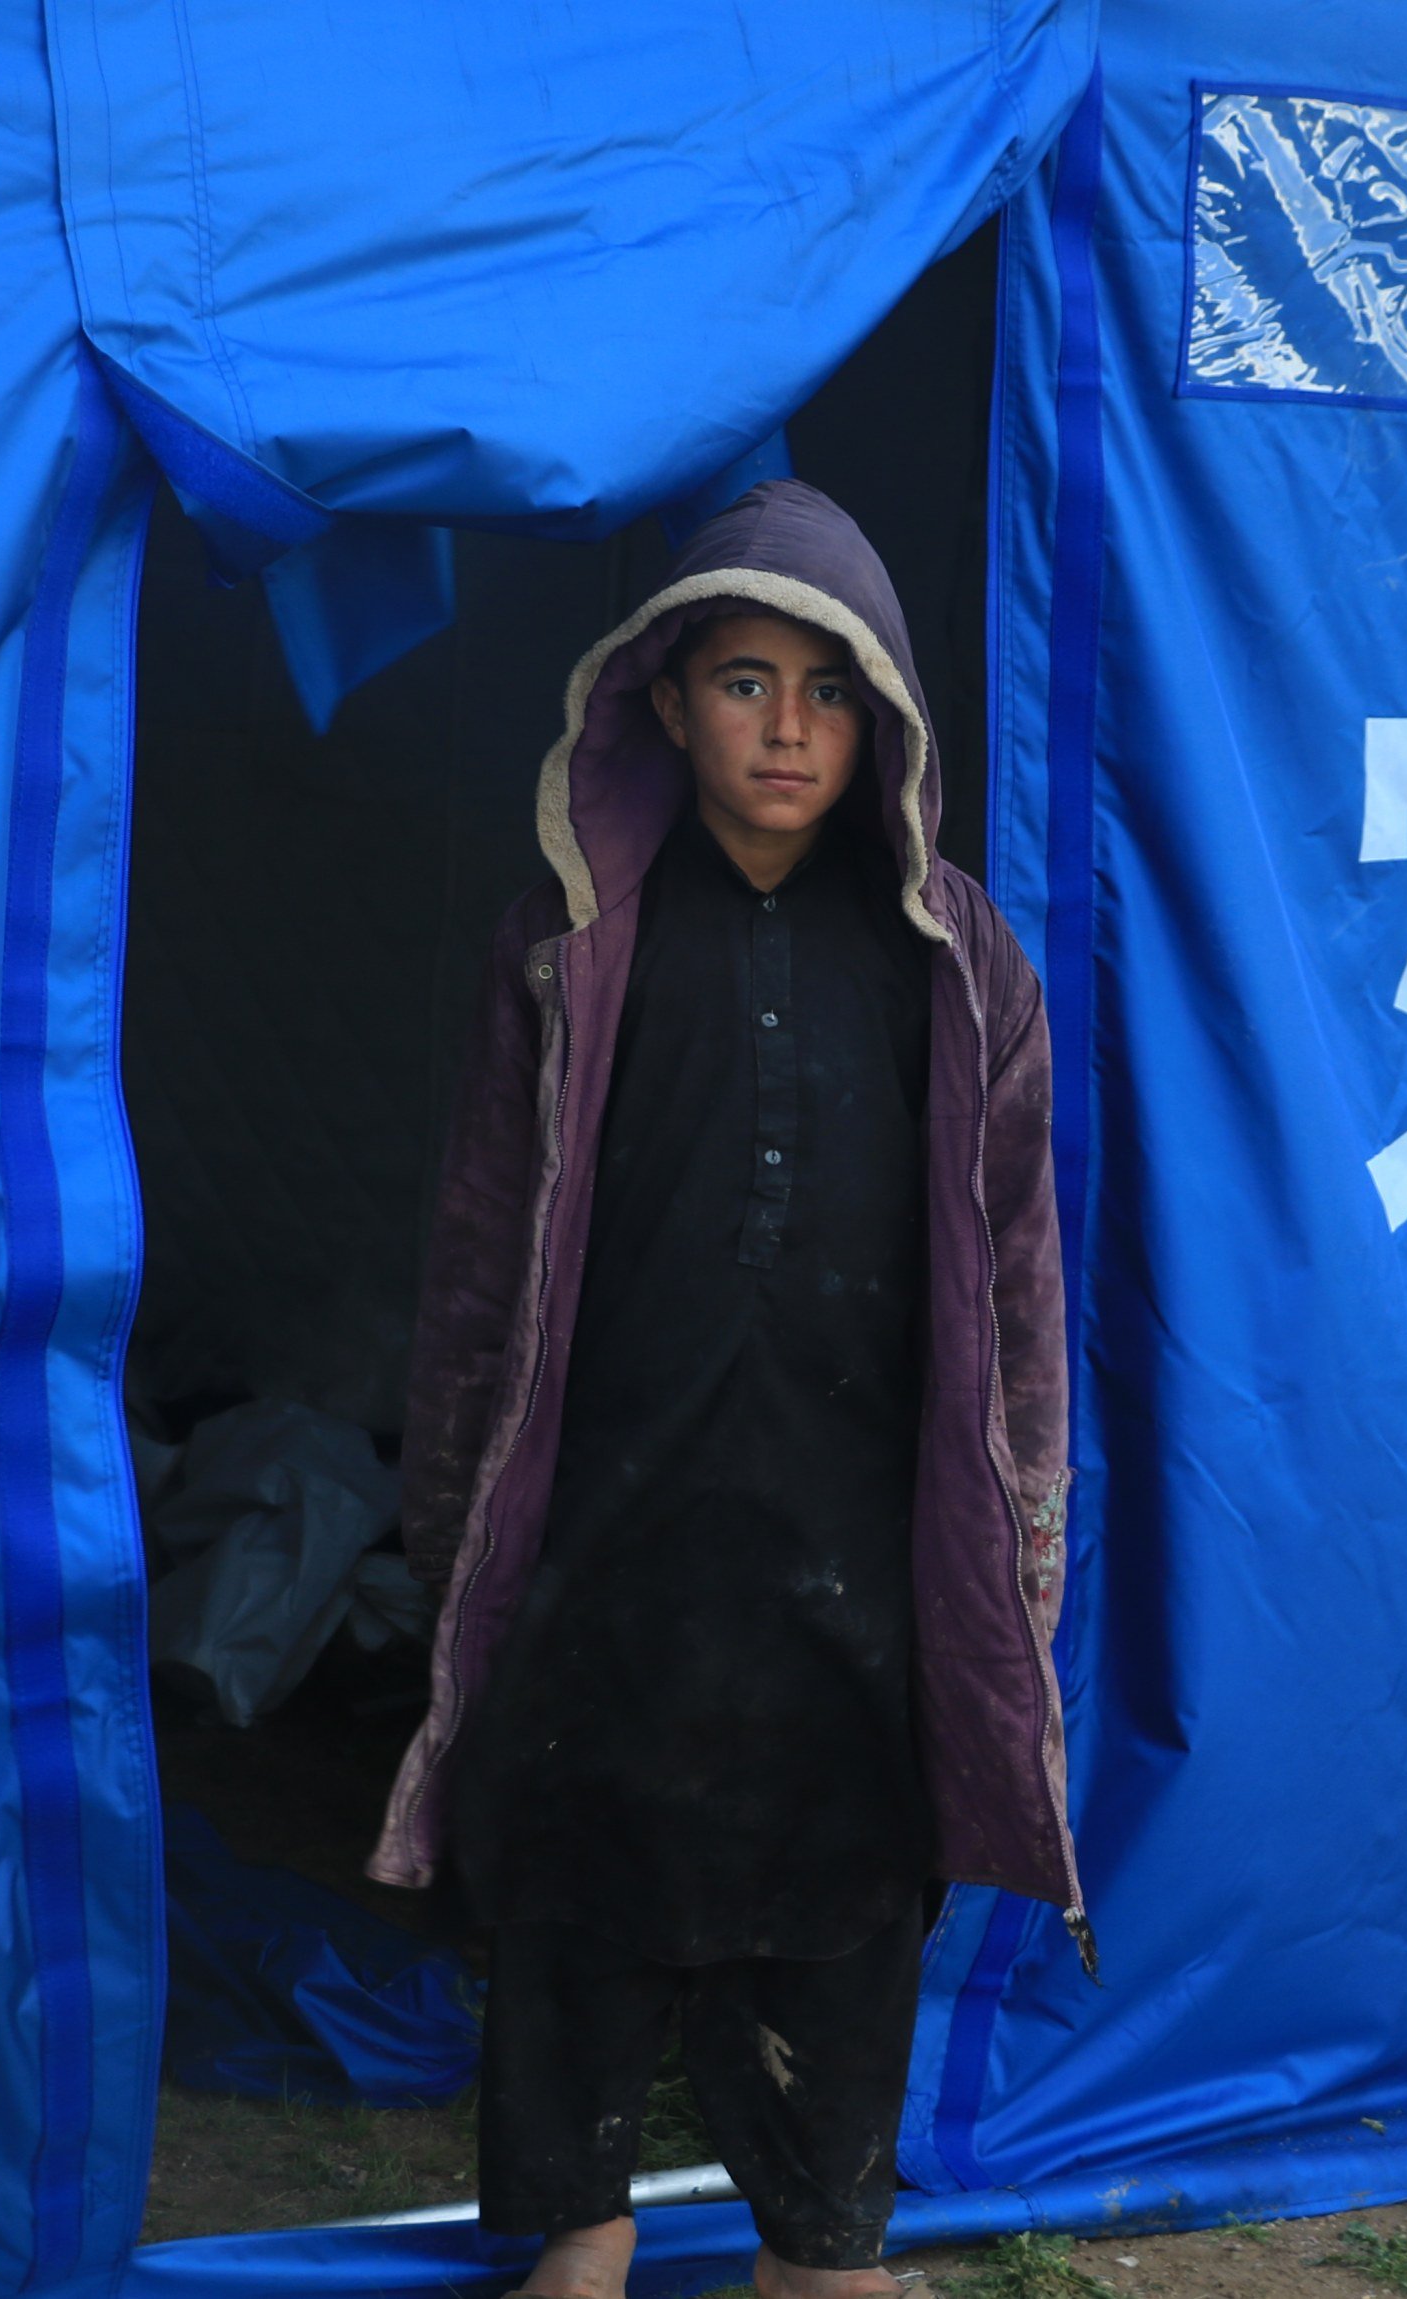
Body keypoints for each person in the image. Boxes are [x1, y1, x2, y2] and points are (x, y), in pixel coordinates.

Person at [367, 481, 1080, 2299]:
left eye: (828, 693)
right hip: (616, 1507)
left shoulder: (963, 963)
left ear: (886, 720)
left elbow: (1014, 1285)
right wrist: (457, 1519)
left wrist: (1018, 1537)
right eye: (745, 682)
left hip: (855, 1522)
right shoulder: (573, 938)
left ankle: (822, 2249)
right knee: (580, 1850)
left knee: (851, 1873)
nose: (787, 728)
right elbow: (477, 1255)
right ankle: (578, 2238)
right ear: (662, 701)